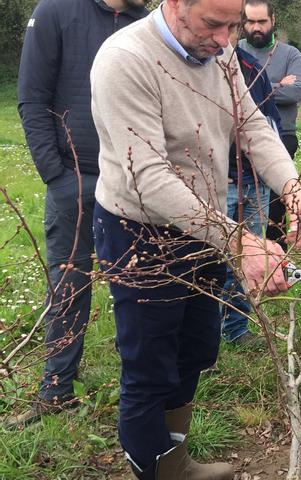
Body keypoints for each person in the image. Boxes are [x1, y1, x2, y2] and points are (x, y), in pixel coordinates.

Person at [89, 0, 301, 480]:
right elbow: (149, 176)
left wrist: (291, 187)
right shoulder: (124, 60)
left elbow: (251, 124)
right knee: (150, 367)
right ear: (174, 4)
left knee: (195, 349)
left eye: (233, 25)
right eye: (214, 24)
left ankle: (174, 460)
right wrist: (239, 240)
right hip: (140, 232)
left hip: (204, 227)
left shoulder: (221, 50)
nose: (225, 40)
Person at [14, 0, 148, 426]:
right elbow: (32, 97)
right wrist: (56, 175)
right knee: (69, 286)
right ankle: (56, 389)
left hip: (134, 183)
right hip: (76, 179)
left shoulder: (145, 22)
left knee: (141, 286)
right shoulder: (55, 11)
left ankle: (145, 388)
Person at [220, 39, 285, 346]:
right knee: (207, 260)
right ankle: (202, 333)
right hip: (218, 186)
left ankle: (236, 328)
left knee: (248, 260)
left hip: (254, 184)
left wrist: (286, 183)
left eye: (233, 27)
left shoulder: (251, 69)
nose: (224, 38)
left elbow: (267, 127)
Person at [240, 0, 301, 250]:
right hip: (241, 138)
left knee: (278, 200)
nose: (256, 27)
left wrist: (253, 87)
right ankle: (248, 250)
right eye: (250, 21)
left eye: (262, 21)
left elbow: (296, 92)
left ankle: (277, 253)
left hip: (282, 135)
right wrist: (277, 83)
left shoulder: (290, 54)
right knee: (246, 197)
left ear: (273, 21)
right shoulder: (233, 51)